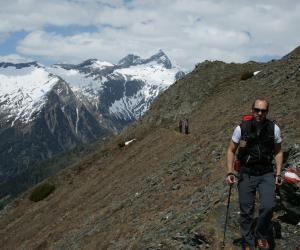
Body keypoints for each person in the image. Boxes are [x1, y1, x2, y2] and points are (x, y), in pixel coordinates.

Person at [226, 98, 283, 250]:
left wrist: (278, 174)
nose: (259, 113)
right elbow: (231, 150)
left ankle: (261, 234)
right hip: (246, 172)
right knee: (246, 209)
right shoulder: (241, 128)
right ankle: (248, 241)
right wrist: (230, 171)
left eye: (263, 110)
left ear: (267, 112)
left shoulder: (274, 129)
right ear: (252, 110)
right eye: (257, 110)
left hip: (266, 172)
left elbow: (278, 151)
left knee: (269, 205)